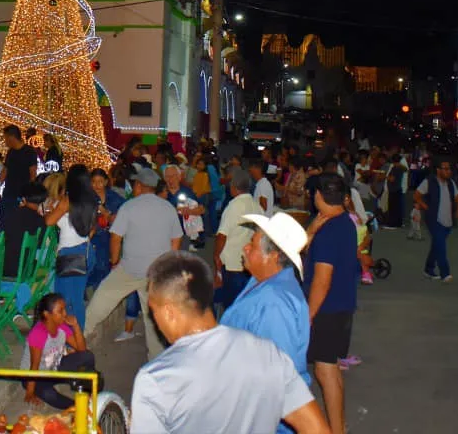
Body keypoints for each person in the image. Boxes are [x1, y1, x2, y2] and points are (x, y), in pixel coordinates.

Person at [130, 251, 329, 434]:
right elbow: (316, 428)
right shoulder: (268, 353)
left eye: (153, 310)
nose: (153, 318)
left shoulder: (156, 380)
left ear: (169, 313)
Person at [221, 212, 312, 434]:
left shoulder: (275, 304)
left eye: (252, 244)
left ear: (272, 256)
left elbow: (275, 377)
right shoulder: (262, 281)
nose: (245, 248)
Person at [83, 166, 182, 361]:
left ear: (139, 186)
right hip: (157, 272)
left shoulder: (129, 207)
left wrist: (114, 261)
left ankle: (82, 332)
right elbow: (176, 240)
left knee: (103, 298)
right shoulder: (168, 208)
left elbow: (116, 237)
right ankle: (156, 358)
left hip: (130, 269)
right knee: (151, 315)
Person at [304, 174, 359, 434]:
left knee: (325, 372)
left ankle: (336, 429)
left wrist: (308, 315)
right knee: (331, 370)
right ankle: (341, 426)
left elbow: (322, 280)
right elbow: (301, 250)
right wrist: (311, 231)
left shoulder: (328, 230)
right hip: (343, 305)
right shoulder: (345, 222)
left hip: (326, 309)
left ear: (318, 195)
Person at [20, 293, 99, 409]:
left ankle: (82, 388)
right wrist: (29, 393)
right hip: (36, 377)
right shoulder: (38, 334)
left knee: (87, 356)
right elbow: (34, 367)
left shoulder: (61, 326)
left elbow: (82, 350)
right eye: (60, 311)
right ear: (47, 315)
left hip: (55, 368)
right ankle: (78, 407)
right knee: (50, 395)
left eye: (64, 309)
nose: (65, 314)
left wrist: (76, 326)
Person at [45, 165, 98, 329]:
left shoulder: (67, 201)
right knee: (76, 300)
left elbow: (49, 221)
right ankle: (75, 338)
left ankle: (73, 340)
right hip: (86, 251)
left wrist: (50, 210)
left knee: (68, 302)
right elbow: (93, 229)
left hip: (70, 254)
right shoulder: (92, 200)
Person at [0, 183, 49, 314]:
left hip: (4, 268)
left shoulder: (10, 215)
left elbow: (2, 236)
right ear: (42, 201)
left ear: (24, 199)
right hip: (25, 270)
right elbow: (40, 247)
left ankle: (11, 301)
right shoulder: (40, 221)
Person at [213, 168, 258, 312]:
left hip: (232, 263)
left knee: (231, 304)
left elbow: (222, 236)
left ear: (234, 187)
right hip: (249, 262)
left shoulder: (233, 206)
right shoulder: (256, 206)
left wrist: (216, 255)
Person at [414, 160, 458, 282]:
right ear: (438, 170)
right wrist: (424, 206)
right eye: (445, 169)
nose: (448, 171)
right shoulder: (430, 181)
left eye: (449, 169)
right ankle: (445, 273)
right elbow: (417, 194)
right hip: (434, 220)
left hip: (448, 220)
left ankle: (428, 268)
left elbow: (457, 198)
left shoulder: (451, 183)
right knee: (441, 246)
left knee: (437, 245)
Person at [0, 125, 38, 231]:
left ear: (11, 137)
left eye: (5, 138)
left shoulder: (29, 152)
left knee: (16, 227)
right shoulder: (10, 152)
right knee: (3, 226)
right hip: (8, 194)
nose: (5, 141)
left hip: (21, 197)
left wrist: (28, 196)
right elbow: (5, 171)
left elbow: (33, 174)